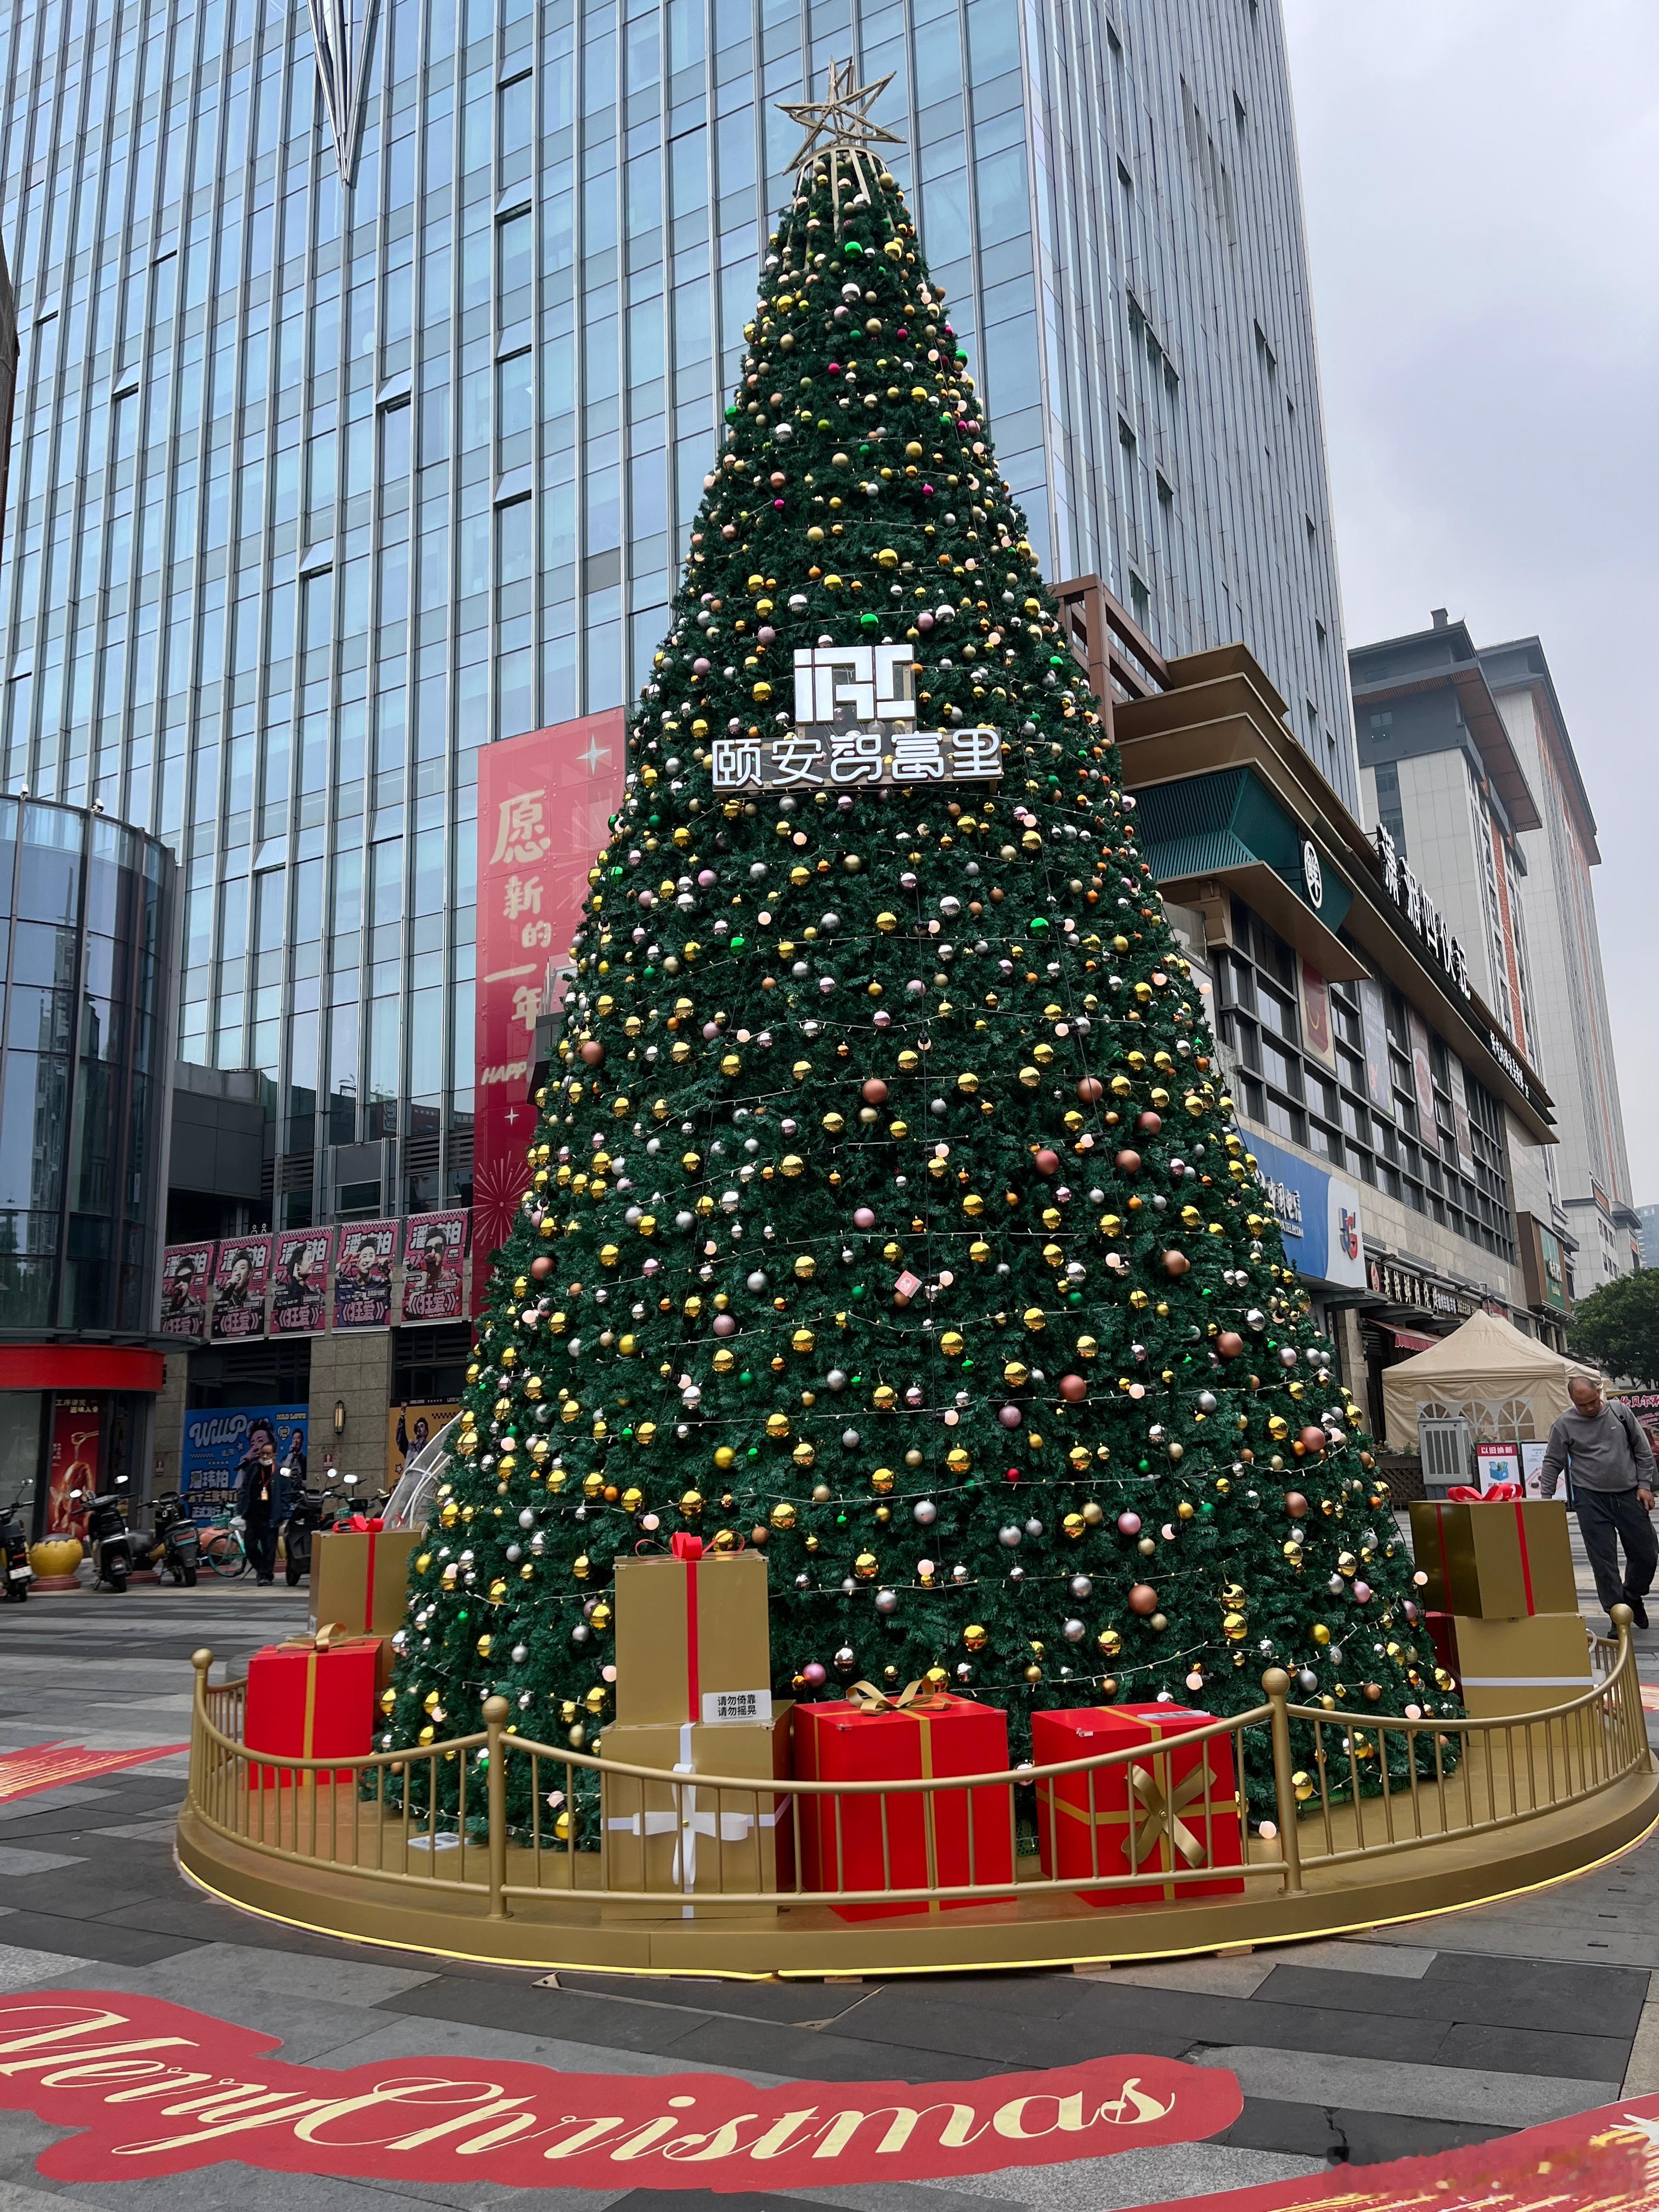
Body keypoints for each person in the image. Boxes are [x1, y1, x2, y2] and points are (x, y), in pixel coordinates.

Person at [1538, 1375, 1658, 1631]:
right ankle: (1617, 1615)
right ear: (1572, 1401)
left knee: (1647, 1553)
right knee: (1604, 1562)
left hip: (1629, 1494)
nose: (1590, 1408)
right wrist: (1545, 1500)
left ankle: (1633, 1596)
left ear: (1599, 1392)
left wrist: (1645, 1486)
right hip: (1590, 1499)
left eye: (1593, 1401)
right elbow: (1552, 1462)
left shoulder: (1620, 1413)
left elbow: (1642, 1450)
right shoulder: (1564, 1425)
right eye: (1583, 1405)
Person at [236, 1436, 290, 1585]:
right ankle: (262, 1569)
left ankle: (266, 1576)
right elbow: (244, 1488)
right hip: (253, 1515)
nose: (264, 1456)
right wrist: (241, 1507)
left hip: (270, 1516)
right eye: (262, 1454)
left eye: (268, 1454)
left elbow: (286, 1494)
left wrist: (284, 1512)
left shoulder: (282, 1471)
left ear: (274, 1455)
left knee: (269, 1548)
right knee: (250, 1546)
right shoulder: (253, 1468)